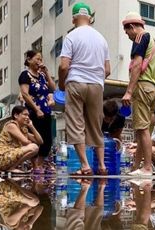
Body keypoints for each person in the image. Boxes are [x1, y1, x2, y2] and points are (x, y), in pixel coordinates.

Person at [58, 2, 111, 175]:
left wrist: (61, 83)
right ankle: (102, 165)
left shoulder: (71, 37)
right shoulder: (102, 38)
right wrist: (96, 79)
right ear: (90, 17)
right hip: (96, 84)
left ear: (73, 18)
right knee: (96, 126)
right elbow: (107, 69)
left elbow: (64, 66)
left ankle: (85, 166)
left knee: (76, 124)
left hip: (76, 82)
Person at [121, 11, 155, 176]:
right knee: (142, 129)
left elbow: (137, 64)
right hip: (153, 88)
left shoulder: (140, 37)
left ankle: (146, 167)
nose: (128, 35)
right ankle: (137, 166)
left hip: (143, 87)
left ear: (131, 26)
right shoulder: (153, 40)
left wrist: (129, 92)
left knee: (143, 130)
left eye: (127, 31)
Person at [19, 50, 56, 174]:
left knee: (47, 140)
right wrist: (36, 109)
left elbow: (52, 88)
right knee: (34, 139)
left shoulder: (42, 75)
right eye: (37, 59)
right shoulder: (25, 75)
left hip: (46, 111)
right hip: (32, 112)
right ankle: (35, 166)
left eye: (41, 59)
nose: (39, 62)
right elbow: (25, 94)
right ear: (29, 60)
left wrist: (47, 73)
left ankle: (39, 164)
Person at [0, 105, 43, 172]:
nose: (27, 117)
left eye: (28, 115)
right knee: (34, 147)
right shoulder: (11, 125)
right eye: (25, 115)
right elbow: (25, 142)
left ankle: (11, 168)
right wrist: (30, 144)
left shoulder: (23, 129)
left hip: (9, 157)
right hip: (1, 158)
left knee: (35, 146)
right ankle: (11, 168)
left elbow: (40, 141)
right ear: (16, 115)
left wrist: (31, 126)